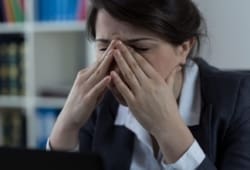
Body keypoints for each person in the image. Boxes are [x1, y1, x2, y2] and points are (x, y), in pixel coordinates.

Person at [47, 0, 250, 169]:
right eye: (104, 48)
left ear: (184, 47)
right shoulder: (100, 101)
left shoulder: (239, 100)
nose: (118, 66)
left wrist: (167, 128)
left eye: (140, 48)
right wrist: (67, 126)